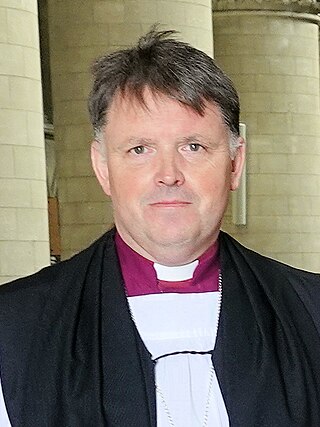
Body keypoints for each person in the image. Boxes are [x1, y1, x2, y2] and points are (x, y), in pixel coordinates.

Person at [0, 28, 319, 427]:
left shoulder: (311, 311)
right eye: (139, 149)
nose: (168, 175)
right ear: (102, 168)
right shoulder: (13, 329)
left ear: (235, 163)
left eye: (193, 147)